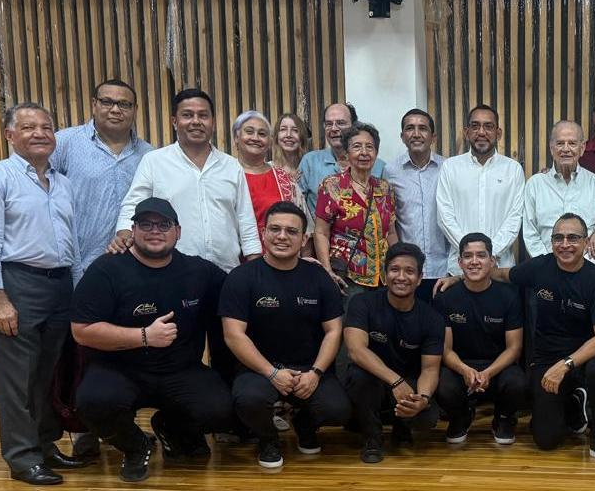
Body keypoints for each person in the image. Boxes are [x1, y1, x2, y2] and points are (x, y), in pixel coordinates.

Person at [72, 198, 234, 482]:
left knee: (221, 409)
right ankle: (135, 446)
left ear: (178, 231)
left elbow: (243, 285)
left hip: (180, 371)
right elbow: (82, 330)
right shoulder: (107, 269)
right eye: (146, 224)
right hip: (120, 370)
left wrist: (295, 263)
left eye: (163, 225)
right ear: (132, 230)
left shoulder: (198, 271)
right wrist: (144, 336)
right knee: (92, 402)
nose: (155, 231)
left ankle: (169, 427)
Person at [0, 102, 85, 486]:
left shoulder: (62, 182)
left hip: (60, 283)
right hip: (18, 283)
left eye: (47, 127)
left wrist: (78, 287)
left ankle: (46, 446)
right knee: (18, 377)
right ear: (9, 135)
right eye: (29, 127)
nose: (39, 133)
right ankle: (22, 458)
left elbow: (73, 243)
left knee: (47, 374)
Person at [441, 214, 595, 463]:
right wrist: (460, 277)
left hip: (586, 359)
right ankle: (573, 406)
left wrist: (566, 364)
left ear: (586, 241)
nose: (565, 244)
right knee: (546, 439)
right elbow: (501, 274)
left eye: (573, 238)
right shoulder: (540, 267)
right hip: (547, 360)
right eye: (558, 238)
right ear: (551, 241)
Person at [220, 201, 349, 469]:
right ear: (263, 233)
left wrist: (316, 373)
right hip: (259, 370)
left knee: (338, 409)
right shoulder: (241, 277)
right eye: (275, 229)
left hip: (309, 368)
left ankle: (305, 425)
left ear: (304, 239)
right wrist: (271, 373)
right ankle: (267, 439)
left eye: (291, 232)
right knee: (249, 401)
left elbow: (334, 330)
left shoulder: (319, 277)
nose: (282, 236)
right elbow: (234, 335)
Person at [112, 88, 261, 273]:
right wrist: (125, 234)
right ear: (175, 121)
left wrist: (255, 267)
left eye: (203, 115)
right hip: (172, 273)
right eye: (188, 115)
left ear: (213, 122)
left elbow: (245, 220)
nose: (196, 121)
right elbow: (132, 204)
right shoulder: (154, 161)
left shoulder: (232, 166)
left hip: (226, 272)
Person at [344, 242, 445, 463]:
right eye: (394, 270)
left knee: (427, 417)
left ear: (419, 279)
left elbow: (430, 368)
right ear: (384, 274)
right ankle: (372, 438)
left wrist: (423, 398)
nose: (401, 277)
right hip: (374, 380)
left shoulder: (432, 318)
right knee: (360, 377)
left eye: (409, 271)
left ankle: (403, 429)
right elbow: (355, 350)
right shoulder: (362, 303)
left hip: (408, 383)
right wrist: (395, 381)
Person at [432, 232, 529, 445]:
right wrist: (465, 370)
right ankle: (460, 416)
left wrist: (487, 373)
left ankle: (502, 419)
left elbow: (514, 349)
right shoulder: (446, 298)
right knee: (440, 384)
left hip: (498, 367)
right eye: (467, 256)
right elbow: (445, 350)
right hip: (461, 367)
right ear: (459, 262)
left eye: (481, 255)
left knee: (518, 382)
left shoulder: (509, 296)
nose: (474, 262)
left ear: (492, 261)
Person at [52, 79, 152, 282]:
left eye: (124, 104)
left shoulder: (150, 155)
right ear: (94, 104)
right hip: (75, 268)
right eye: (107, 102)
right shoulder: (63, 143)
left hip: (134, 268)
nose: (116, 110)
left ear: (135, 109)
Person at [435, 104, 526, 274]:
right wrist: (471, 254)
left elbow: (515, 218)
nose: (481, 132)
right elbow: (444, 217)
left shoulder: (513, 169)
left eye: (488, 126)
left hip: (500, 268)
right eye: (475, 126)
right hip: (459, 270)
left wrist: (490, 254)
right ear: (466, 132)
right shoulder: (450, 167)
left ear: (498, 133)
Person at [313, 121, 398, 298]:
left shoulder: (385, 188)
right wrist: (327, 271)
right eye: (357, 147)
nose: (364, 153)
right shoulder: (332, 186)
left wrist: (396, 264)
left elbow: (390, 232)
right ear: (347, 152)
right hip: (346, 276)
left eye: (370, 147)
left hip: (381, 277)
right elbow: (321, 232)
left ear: (376, 152)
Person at [522, 120, 595, 265]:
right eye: (560, 143)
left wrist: (581, 265)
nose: (566, 149)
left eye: (572, 143)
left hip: (588, 270)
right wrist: (548, 265)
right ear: (551, 147)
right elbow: (530, 233)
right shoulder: (535, 184)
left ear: (582, 148)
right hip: (545, 271)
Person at [383, 109, 448, 303]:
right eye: (410, 128)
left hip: (443, 268)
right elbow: (389, 220)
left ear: (433, 136)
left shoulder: (449, 168)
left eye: (423, 128)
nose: (416, 134)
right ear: (402, 136)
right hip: (408, 272)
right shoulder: (390, 171)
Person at [232, 110, 309, 243]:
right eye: (249, 132)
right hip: (232, 260)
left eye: (262, 134)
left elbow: (304, 228)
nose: (255, 138)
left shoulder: (285, 179)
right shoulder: (224, 175)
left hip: (280, 258)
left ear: (269, 142)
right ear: (236, 138)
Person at [298, 102, 385, 213]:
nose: (334, 128)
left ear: (354, 126)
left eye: (340, 123)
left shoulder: (378, 167)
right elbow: (297, 206)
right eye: (329, 124)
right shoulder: (309, 162)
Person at [271, 112, 310, 181]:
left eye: (295, 130)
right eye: (283, 129)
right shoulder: (268, 170)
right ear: (276, 136)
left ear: (302, 137)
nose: (288, 135)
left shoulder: (310, 169)